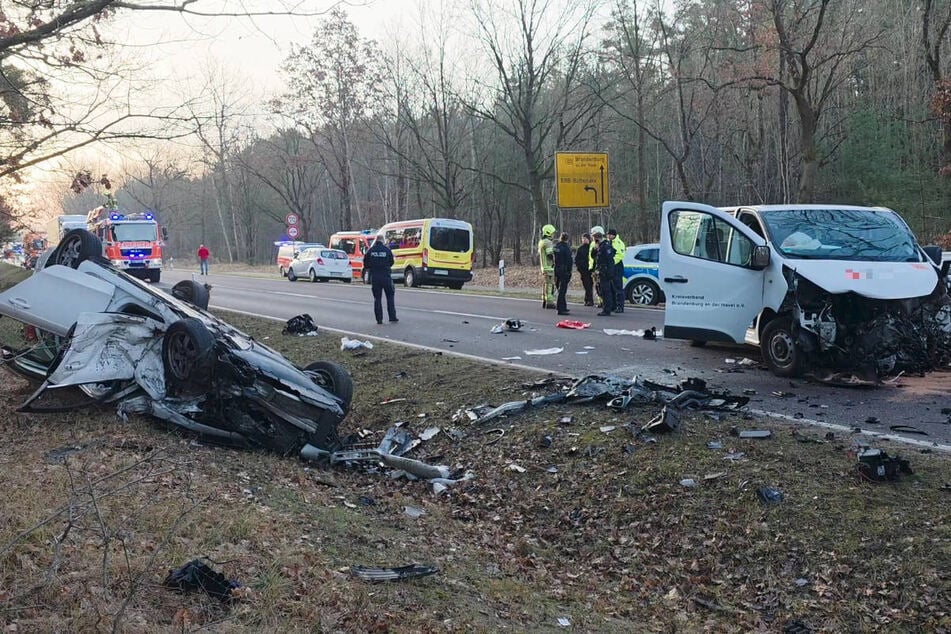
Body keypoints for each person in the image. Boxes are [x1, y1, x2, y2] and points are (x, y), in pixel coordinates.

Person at [364, 233, 398, 325]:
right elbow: (391, 262)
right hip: (386, 276)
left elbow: (366, 264)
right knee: (390, 297)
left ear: (376, 240)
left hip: (375, 277)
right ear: (382, 241)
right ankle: (392, 317)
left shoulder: (371, 251)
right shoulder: (387, 250)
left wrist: (373, 267)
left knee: (377, 298)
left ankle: (379, 319)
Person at [591, 226, 616, 316]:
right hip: (600, 271)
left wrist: (610, 272)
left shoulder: (606, 246)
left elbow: (610, 261)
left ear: (597, 236)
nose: (593, 238)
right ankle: (607, 307)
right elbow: (593, 256)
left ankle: (607, 309)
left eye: (594, 236)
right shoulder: (599, 246)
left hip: (605, 272)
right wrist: (595, 247)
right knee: (602, 290)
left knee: (606, 291)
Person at [553, 232, 573, 315]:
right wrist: (569, 271)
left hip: (556, 269)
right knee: (562, 290)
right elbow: (569, 260)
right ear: (567, 239)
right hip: (564, 270)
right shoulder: (566, 248)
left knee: (559, 288)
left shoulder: (556, 247)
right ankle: (561, 308)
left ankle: (562, 306)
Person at [607, 228, 626, 313]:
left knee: (618, 288)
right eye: (608, 235)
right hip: (610, 267)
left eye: (610, 234)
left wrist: (611, 262)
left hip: (617, 267)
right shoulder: (608, 242)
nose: (608, 236)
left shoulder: (619, 243)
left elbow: (620, 255)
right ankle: (613, 305)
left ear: (613, 235)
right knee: (611, 288)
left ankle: (620, 306)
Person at [538, 223, 556, 308]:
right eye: (552, 233)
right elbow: (550, 255)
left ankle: (544, 300)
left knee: (545, 284)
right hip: (549, 267)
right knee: (550, 285)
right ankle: (550, 302)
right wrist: (555, 257)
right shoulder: (548, 242)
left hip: (543, 267)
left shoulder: (542, 242)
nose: (553, 234)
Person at [574, 233, 594, 306]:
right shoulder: (580, 249)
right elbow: (576, 260)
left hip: (591, 270)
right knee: (586, 285)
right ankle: (588, 300)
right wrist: (579, 268)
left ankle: (589, 300)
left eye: (585, 239)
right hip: (583, 270)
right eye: (583, 239)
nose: (584, 240)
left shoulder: (591, 247)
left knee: (590, 285)